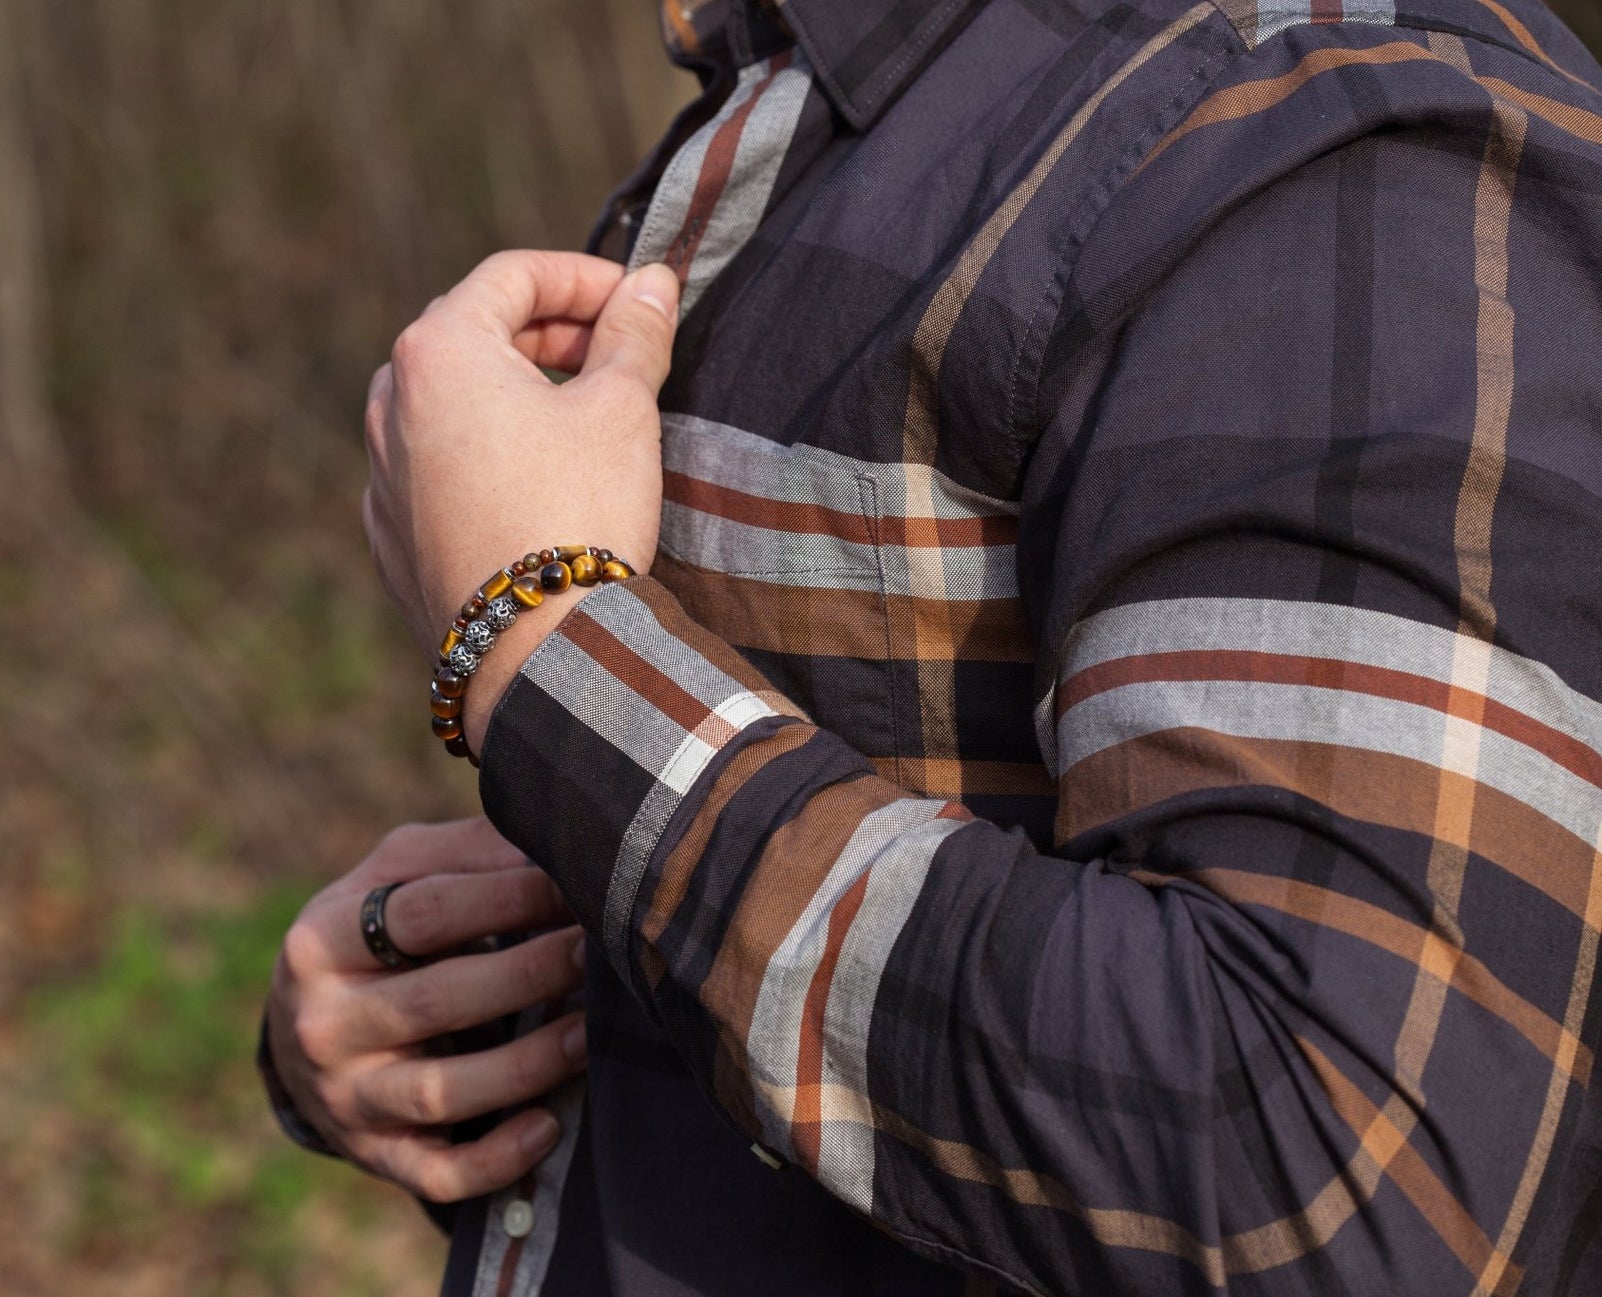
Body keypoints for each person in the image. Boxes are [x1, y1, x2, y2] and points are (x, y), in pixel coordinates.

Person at [261, 0, 1602, 1291]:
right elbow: (787, 851)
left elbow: (1320, 1181)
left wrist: (533, 636)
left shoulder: (1322, 140)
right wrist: (430, 1025)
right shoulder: (841, 100)